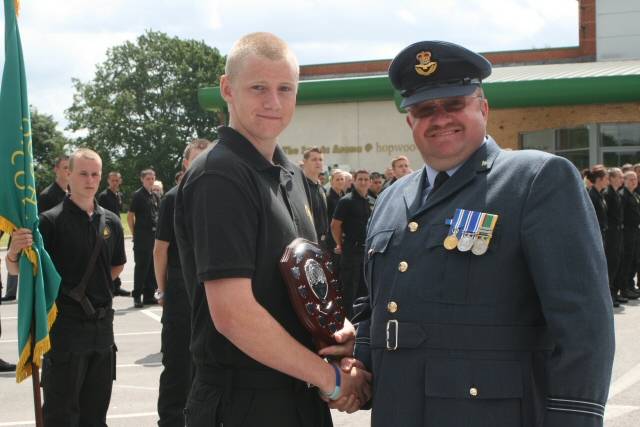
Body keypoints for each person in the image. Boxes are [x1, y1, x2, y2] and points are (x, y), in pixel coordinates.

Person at [351, 40, 614, 426]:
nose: (439, 118)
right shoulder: (393, 197)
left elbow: (583, 322)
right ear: (411, 122)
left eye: (454, 104)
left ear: (483, 108)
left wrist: (575, 418)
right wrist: (359, 369)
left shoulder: (535, 180)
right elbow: (376, 306)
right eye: (424, 110)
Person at [174, 32, 370, 427]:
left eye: (285, 88)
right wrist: (332, 380)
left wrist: (339, 335)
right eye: (258, 87)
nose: (273, 102)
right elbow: (234, 315)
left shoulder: (294, 178)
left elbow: (307, 283)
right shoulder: (220, 175)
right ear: (227, 89)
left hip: (298, 393)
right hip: (243, 402)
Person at [7, 148, 126, 425]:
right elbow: (22, 272)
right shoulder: (49, 222)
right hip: (65, 332)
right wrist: (13, 253)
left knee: (95, 415)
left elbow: (117, 265)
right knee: (61, 415)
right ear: (67, 174)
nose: (90, 179)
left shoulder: (111, 222)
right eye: (83, 173)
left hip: (102, 332)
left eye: (95, 174)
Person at [154, 138, 213, 427]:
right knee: (178, 364)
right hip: (180, 287)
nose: (203, 161)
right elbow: (160, 249)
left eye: (208, 156)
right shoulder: (173, 197)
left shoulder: (220, 196)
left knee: (208, 364)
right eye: (197, 156)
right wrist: (162, 290)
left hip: (211, 286)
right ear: (186, 163)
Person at [331, 170, 373, 318]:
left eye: (366, 179)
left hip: (366, 252)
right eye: (360, 179)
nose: (363, 182)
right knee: (349, 291)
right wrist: (340, 244)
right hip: (351, 251)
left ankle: (360, 324)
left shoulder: (371, 201)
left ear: (370, 182)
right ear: (354, 181)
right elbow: (335, 225)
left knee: (365, 291)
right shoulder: (346, 201)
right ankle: (346, 323)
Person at [128, 169, 160, 308]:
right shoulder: (138, 195)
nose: (151, 181)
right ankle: (137, 296)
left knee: (152, 267)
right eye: (148, 178)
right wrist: (134, 234)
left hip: (154, 236)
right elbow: (130, 216)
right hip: (142, 236)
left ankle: (148, 295)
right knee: (142, 267)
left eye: (153, 178)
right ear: (142, 179)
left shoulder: (154, 195)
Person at [98, 171, 130, 297]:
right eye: (112, 180)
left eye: (117, 180)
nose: (115, 183)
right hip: (107, 230)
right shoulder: (104, 196)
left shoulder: (118, 194)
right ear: (108, 181)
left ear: (120, 181)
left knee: (117, 257)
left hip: (117, 228)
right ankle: (110, 285)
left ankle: (116, 286)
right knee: (109, 258)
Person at [604, 168, 630, 306]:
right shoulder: (607, 193)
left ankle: (614, 293)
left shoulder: (615, 193)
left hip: (618, 232)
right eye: (619, 177)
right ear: (612, 178)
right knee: (612, 263)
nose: (622, 179)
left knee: (617, 262)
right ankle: (609, 295)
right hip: (611, 233)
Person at [618, 171, 640, 304]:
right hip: (626, 232)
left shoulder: (635, 194)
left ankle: (630, 285)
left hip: (635, 231)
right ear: (624, 181)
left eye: (635, 179)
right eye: (631, 179)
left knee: (634, 259)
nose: (634, 181)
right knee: (626, 260)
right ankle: (624, 288)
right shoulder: (623, 195)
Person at [302, 147, 329, 247]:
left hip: (323, 243)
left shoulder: (321, 188)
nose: (318, 162)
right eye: (314, 159)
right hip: (308, 242)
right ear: (304, 162)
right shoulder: (301, 186)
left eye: (320, 159)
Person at [587, 165, 609, 245]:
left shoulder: (600, 194)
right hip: (595, 235)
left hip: (601, 233)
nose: (608, 182)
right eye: (606, 179)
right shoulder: (591, 195)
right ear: (599, 179)